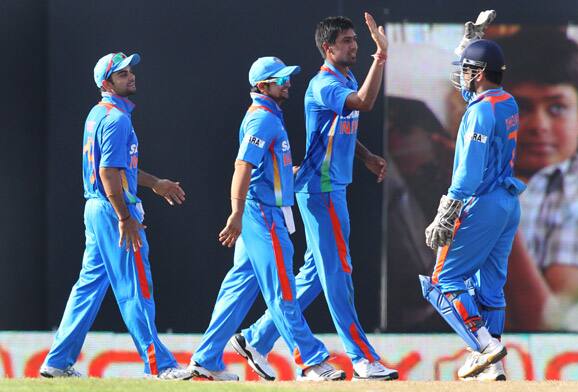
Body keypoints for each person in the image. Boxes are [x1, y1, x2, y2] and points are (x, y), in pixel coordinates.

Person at [233, 14, 398, 381]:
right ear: (328, 48)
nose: (355, 46)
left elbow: (339, 129)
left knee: (316, 274)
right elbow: (363, 104)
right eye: (348, 41)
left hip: (328, 188)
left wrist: (366, 155)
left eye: (357, 40)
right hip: (320, 191)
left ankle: (257, 339)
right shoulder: (324, 83)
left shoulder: (347, 77)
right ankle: (361, 357)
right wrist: (381, 57)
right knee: (339, 274)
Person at [186, 57, 345, 382]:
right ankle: (312, 361)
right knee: (282, 289)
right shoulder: (263, 120)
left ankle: (206, 359)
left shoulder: (268, 117)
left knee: (238, 288)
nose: (287, 82)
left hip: (262, 211)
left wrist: (292, 175)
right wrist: (237, 213)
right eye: (280, 79)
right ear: (263, 86)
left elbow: (264, 170)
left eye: (287, 77)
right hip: (263, 215)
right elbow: (242, 167)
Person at [40, 52, 190, 379]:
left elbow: (120, 169)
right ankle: (160, 365)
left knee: (89, 287)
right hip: (112, 210)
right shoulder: (118, 119)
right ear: (107, 83)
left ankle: (57, 360)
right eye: (122, 74)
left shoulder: (98, 113)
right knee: (136, 286)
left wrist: (155, 184)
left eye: (130, 71)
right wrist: (125, 218)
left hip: (95, 208)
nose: (131, 76)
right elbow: (109, 172)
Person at [420, 38, 525, 381]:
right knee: (490, 288)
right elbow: (479, 95)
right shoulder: (507, 102)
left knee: (443, 279)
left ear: (478, 73)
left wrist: (448, 207)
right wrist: (469, 46)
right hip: (509, 203)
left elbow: (468, 171)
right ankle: (492, 367)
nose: (461, 77)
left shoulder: (479, 111)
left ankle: (483, 345)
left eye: (466, 70)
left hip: (482, 202)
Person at [495, 29, 578, 331]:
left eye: (556, 108)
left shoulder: (576, 188)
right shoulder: (452, 172)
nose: (538, 126)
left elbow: (552, 327)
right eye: (520, 109)